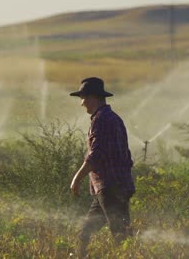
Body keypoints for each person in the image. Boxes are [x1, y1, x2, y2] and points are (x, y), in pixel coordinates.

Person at [69, 77, 135, 258]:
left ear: (93, 98)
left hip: (111, 188)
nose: (82, 103)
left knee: (120, 234)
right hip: (107, 188)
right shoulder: (110, 118)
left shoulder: (102, 120)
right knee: (85, 233)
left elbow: (96, 155)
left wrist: (77, 178)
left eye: (83, 98)